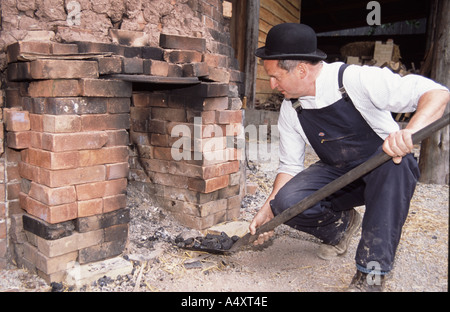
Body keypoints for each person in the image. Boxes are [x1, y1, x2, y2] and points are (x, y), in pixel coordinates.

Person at [249, 23, 449, 291]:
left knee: (396, 164)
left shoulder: (354, 79)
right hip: (339, 173)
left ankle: (370, 276)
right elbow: (289, 166)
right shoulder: (291, 108)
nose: (272, 85)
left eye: (275, 77)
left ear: (301, 69)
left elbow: (437, 93)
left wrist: (409, 132)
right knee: (287, 201)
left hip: (384, 168)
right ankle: (341, 227)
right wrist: (269, 208)